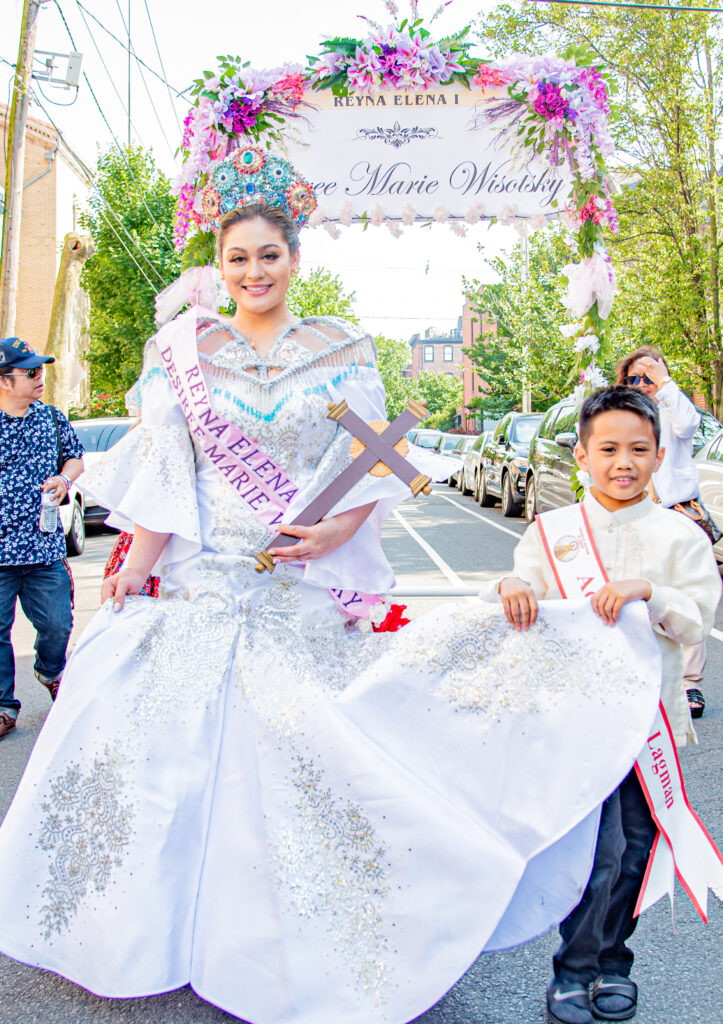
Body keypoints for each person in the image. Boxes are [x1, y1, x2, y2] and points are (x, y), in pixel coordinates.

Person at [0, 154, 664, 1024]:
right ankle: (154, 931)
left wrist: (337, 530)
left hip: (298, 578)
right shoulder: (184, 353)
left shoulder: (340, 348)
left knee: (312, 754)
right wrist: (133, 561)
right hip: (206, 581)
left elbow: (365, 461)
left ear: (294, 258)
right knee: (157, 743)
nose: (253, 272)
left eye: (268, 255)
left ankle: (291, 935)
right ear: (218, 266)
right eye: (237, 259)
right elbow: (171, 466)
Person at [490, 387, 720, 1024]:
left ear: (660, 454)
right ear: (583, 457)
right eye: (609, 448)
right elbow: (520, 594)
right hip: (576, 724)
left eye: (639, 449)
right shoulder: (552, 532)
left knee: (639, 851)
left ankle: (615, 959)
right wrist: (508, 586)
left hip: (649, 728)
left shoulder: (680, 535)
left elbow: (697, 618)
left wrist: (651, 591)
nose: (624, 461)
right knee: (599, 853)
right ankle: (575, 967)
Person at [616, 348, 709, 720]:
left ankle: (689, 684)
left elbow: (689, 425)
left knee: (687, 597)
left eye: (649, 377)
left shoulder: (674, 411)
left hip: (677, 513)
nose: (642, 385)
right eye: (634, 379)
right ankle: (641, 675)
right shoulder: (621, 417)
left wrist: (665, 383)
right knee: (636, 596)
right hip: (634, 515)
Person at [0, 338, 84, 741]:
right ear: (4, 380)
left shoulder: (51, 418)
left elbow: (75, 456)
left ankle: (50, 670)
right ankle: (3, 707)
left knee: (58, 624)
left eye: (40, 371)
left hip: (43, 548)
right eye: (30, 372)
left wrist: (65, 478)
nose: (39, 378)